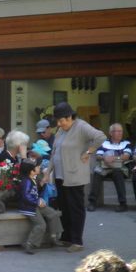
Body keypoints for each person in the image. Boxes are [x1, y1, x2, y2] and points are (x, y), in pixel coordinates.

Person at [45, 102, 105, 253]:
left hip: (74, 175)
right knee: (64, 207)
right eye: (58, 121)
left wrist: (89, 152)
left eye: (62, 120)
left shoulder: (81, 126)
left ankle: (77, 241)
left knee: (75, 208)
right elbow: (54, 153)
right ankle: (67, 237)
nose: (59, 123)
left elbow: (100, 136)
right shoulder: (60, 131)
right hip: (60, 175)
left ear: (70, 117)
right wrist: (47, 173)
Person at [17, 158, 63, 254]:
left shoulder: (33, 179)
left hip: (35, 204)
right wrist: (37, 201)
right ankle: (29, 243)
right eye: (37, 167)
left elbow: (36, 193)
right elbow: (26, 196)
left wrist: (41, 192)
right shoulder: (26, 182)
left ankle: (54, 237)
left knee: (53, 214)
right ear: (31, 171)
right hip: (29, 207)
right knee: (41, 224)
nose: (39, 168)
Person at [88, 123, 132, 213]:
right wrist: (104, 158)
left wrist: (114, 158)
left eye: (121, 131)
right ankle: (92, 202)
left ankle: (123, 204)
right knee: (97, 172)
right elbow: (98, 156)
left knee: (117, 172)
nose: (120, 133)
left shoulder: (126, 143)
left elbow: (126, 156)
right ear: (111, 133)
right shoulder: (104, 143)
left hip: (120, 168)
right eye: (118, 131)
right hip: (106, 167)